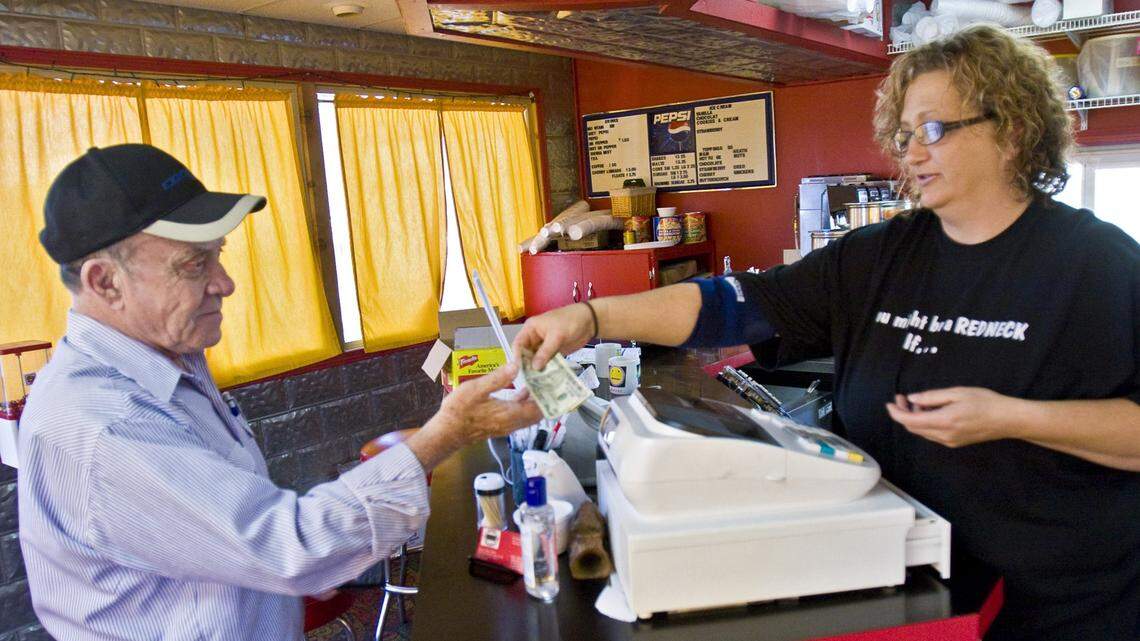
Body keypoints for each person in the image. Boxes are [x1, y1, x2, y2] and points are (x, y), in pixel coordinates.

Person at [515, 25, 1138, 641]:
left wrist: (1012, 417)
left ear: (1013, 130)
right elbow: (736, 306)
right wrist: (593, 318)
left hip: (1057, 608)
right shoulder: (877, 257)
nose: (911, 154)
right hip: (905, 590)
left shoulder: (1097, 266)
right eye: (904, 134)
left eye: (935, 130)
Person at [18, 144, 542, 640]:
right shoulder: (105, 425)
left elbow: (229, 524)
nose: (224, 283)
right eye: (194, 265)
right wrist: (449, 432)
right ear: (105, 282)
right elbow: (288, 546)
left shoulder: (166, 357)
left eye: (217, 256)